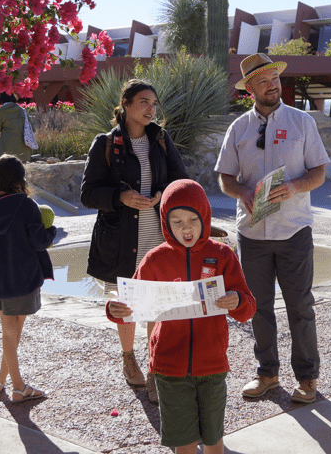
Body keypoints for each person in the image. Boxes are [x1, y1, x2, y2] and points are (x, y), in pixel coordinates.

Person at [107, 179, 256, 454]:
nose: (186, 228)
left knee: (213, 440)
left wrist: (237, 301)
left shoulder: (222, 254)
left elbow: (248, 307)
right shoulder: (154, 259)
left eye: (192, 219)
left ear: (205, 217)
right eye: (176, 221)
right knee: (184, 444)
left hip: (212, 364)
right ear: (165, 222)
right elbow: (130, 304)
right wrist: (115, 308)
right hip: (169, 367)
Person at [215, 53, 330, 402]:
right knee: (257, 307)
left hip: (294, 230)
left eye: (275, 79)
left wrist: (294, 187)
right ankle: (267, 374)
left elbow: (319, 173)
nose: (272, 85)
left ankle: (307, 379)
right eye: (263, 81)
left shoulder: (302, 122)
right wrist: (243, 191)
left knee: (300, 307)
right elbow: (224, 179)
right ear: (249, 88)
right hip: (251, 234)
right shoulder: (238, 129)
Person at [80, 79, 188, 402]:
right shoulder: (104, 144)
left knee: (155, 304)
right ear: (126, 104)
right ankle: (129, 357)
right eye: (144, 102)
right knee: (126, 307)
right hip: (119, 241)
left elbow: (182, 181)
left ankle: (156, 368)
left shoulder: (162, 140)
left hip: (157, 238)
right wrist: (121, 197)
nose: (151, 109)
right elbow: (87, 194)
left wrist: (164, 193)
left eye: (154, 103)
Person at [0, 154, 57, 403]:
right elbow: (40, 242)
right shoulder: (26, 205)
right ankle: (18, 387)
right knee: (13, 332)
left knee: (9, 332)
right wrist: (51, 230)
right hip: (23, 279)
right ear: (19, 179)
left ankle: (0, 382)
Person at [0, 92, 31, 162]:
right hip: (22, 146)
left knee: (4, 166)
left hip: (6, 146)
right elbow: (32, 128)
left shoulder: (1, 111)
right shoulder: (22, 110)